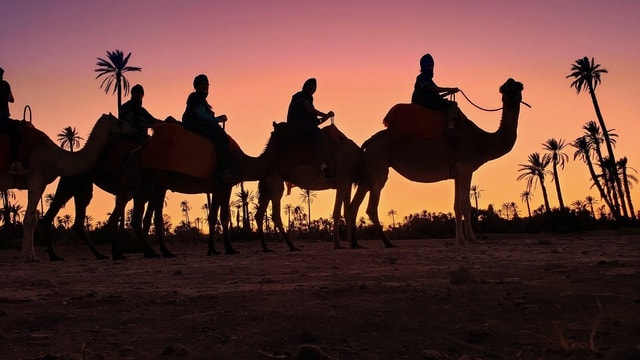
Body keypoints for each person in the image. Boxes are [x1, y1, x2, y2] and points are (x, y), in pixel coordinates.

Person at [181, 74, 232, 182]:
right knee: (221, 137)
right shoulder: (195, 98)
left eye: (207, 85)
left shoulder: (201, 100)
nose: (205, 87)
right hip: (194, 124)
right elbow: (201, 114)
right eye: (203, 85)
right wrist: (217, 120)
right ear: (197, 86)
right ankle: (222, 170)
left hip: (198, 124)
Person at [286, 78, 334, 176]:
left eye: (313, 86)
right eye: (310, 85)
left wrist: (327, 116)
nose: (311, 88)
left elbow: (316, 122)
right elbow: (309, 110)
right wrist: (325, 114)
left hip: (307, 126)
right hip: (298, 126)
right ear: (304, 86)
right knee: (321, 136)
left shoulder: (309, 100)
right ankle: (323, 166)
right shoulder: (300, 96)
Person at [411, 53, 460, 133]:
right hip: (424, 103)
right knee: (452, 104)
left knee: (445, 101)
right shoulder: (421, 78)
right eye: (428, 64)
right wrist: (450, 89)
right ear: (423, 66)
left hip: (428, 101)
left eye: (431, 64)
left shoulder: (428, 80)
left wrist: (449, 92)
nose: (430, 67)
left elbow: (436, 94)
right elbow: (434, 90)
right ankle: (451, 127)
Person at [0, 67, 27, 175]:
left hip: (3, 119)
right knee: (17, 132)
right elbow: (12, 99)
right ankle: (16, 163)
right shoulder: (4, 85)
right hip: (2, 119)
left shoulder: (4, 85)